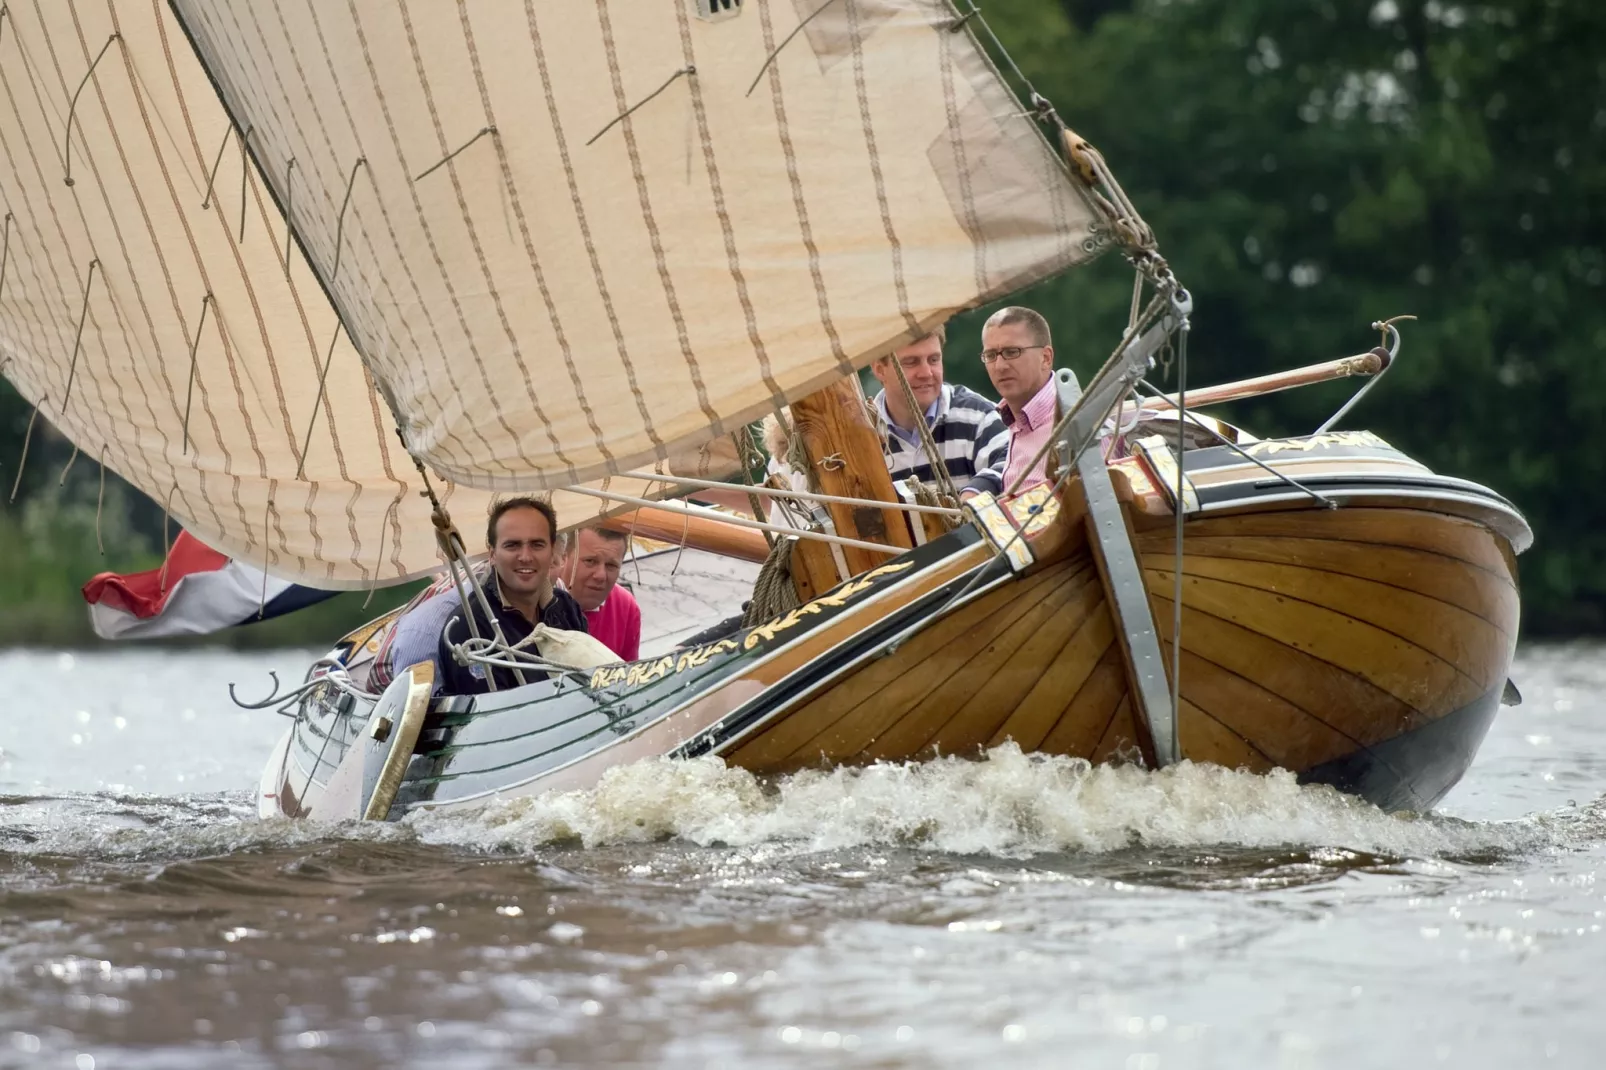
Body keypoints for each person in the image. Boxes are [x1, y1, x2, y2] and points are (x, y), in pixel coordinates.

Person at [436, 496, 588, 695]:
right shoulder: (470, 628)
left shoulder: (566, 607)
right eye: (512, 545)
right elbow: (491, 718)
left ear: (552, 552)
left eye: (537, 544)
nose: (525, 557)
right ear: (492, 554)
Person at [867, 326, 1009, 496]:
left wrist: (975, 491)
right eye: (911, 362)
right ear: (879, 369)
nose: (926, 373)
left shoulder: (977, 415)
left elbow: (1013, 462)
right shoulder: (861, 436)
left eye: (934, 359)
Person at [967, 306, 1060, 498]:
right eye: (991, 355)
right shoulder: (1014, 421)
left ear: (1046, 357)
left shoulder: (1079, 425)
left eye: (1012, 352)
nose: (1000, 366)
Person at [554, 525, 641, 662]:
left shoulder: (626, 606)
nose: (601, 575)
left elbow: (629, 677)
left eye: (611, 566)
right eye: (590, 561)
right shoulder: (538, 599)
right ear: (564, 558)